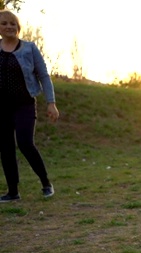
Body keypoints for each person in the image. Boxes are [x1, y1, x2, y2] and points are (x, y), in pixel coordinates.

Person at [0, 9, 58, 203]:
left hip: (24, 104)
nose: (9, 26)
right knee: (5, 147)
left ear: (18, 27)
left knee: (25, 143)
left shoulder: (29, 48)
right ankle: (13, 191)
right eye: (4, 23)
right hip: (2, 107)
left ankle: (46, 183)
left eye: (13, 23)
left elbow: (43, 75)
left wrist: (51, 103)